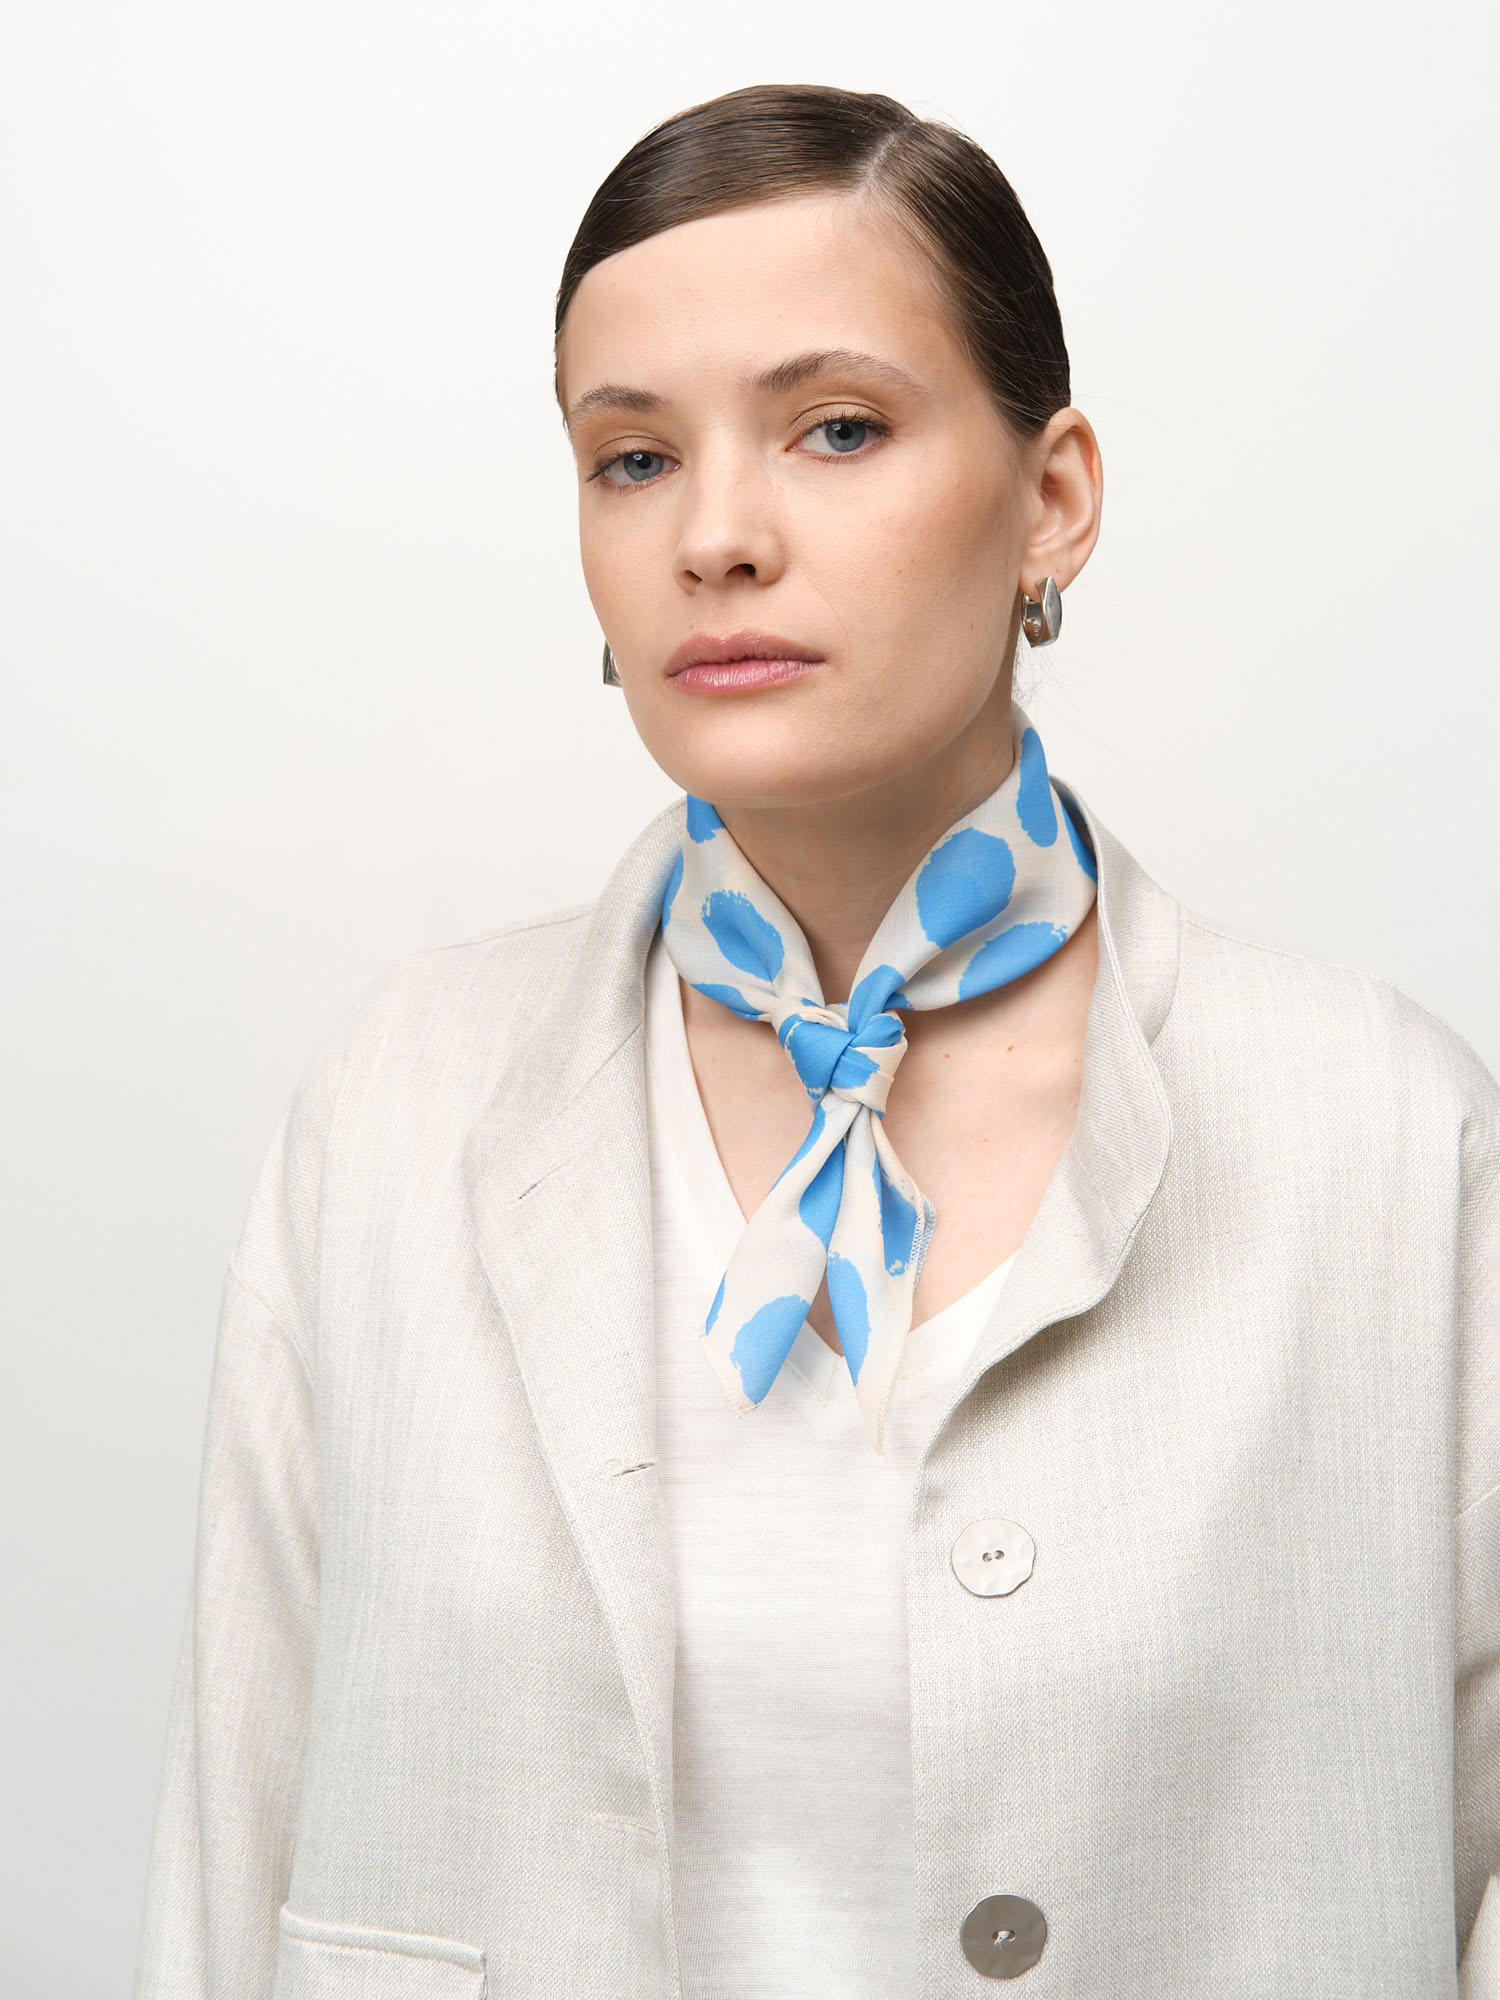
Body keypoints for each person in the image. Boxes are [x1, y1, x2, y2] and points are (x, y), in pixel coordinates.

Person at [134, 84, 1498, 1999]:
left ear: (1052, 501)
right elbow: (230, 1855)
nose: (714, 535)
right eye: (631, 458)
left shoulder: (1388, 1138)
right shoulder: (395, 1106)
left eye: (837, 427)